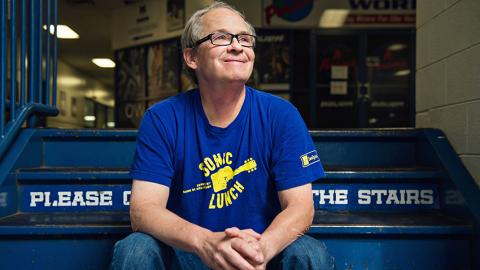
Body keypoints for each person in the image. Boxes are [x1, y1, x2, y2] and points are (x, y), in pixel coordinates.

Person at [111, 2, 335, 269]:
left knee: (308, 253)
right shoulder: (162, 119)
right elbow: (143, 210)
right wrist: (206, 243)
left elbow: (301, 207)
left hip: (260, 251)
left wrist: (261, 250)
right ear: (192, 57)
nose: (237, 46)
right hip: (188, 254)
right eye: (221, 37)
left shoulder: (281, 115)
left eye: (244, 39)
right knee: (135, 250)